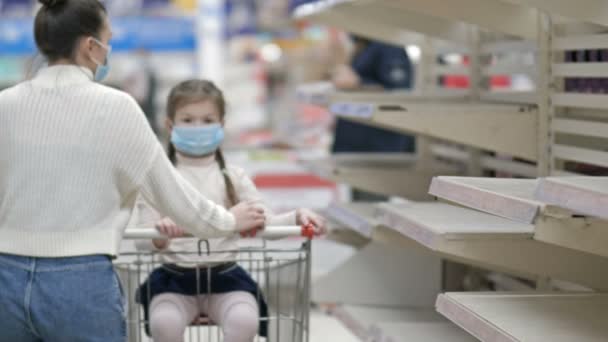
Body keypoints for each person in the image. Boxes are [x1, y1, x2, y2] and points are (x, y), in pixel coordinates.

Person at [0, 1, 264, 341]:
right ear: (90, 46)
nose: (109, 49)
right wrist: (228, 221)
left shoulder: (5, 104)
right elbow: (172, 194)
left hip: (5, 275)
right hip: (80, 279)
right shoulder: (116, 107)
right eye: (108, 39)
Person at [135, 79, 326, 342]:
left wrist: (296, 216)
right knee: (163, 323)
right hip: (173, 281)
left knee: (245, 320)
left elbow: (266, 225)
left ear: (221, 125)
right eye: (188, 120)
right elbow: (142, 241)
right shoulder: (157, 180)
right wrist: (159, 234)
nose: (197, 127)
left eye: (207, 120)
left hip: (226, 278)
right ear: (170, 125)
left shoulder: (234, 178)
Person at [331, 35, 416, 153]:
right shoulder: (364, 45)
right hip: (353, 142)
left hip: (377, 145)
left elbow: (399, 94)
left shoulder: (389, 46)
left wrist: (358, 83)